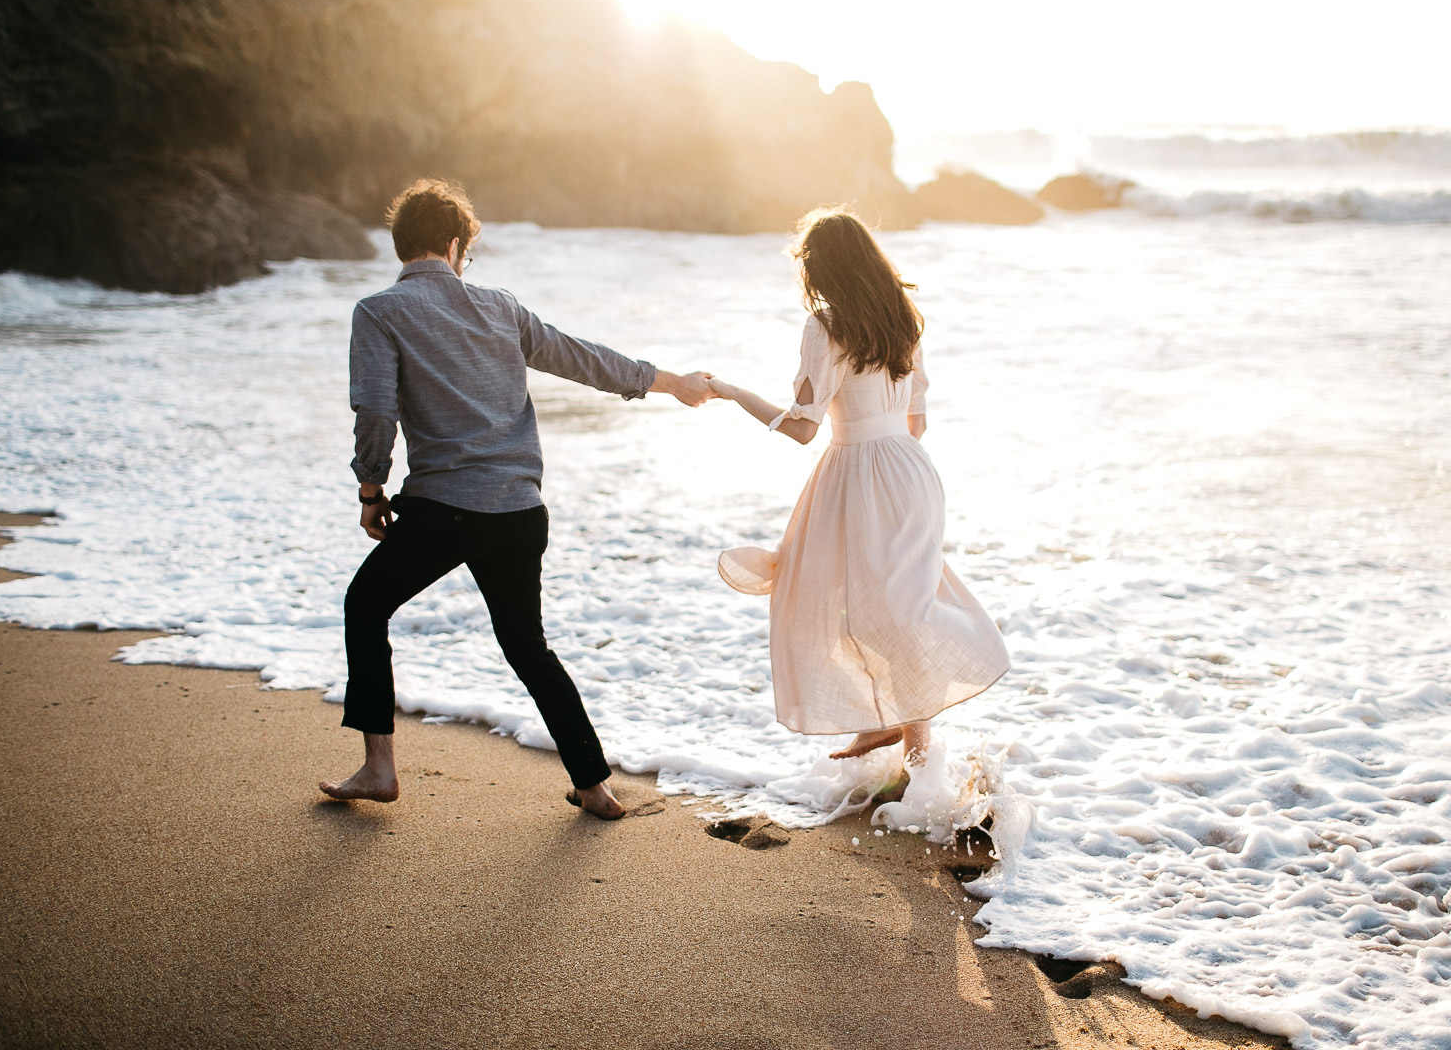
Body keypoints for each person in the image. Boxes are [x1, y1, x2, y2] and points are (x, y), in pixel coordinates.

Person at [320, 179, 713, 820]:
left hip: (444, 508)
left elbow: (376, 408)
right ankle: (593, 785)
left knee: (366, 606)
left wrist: (371, 487)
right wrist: (671, 383)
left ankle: (379, 766)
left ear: (403, 246)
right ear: (454, 244)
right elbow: (579, 358)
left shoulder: (380, 312)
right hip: (521, 513)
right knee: (528, 646)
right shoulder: (500, 307)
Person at [706, 207, 1008, 773]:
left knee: (851, 598)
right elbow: (917, 421)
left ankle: (899, 735)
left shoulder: (825, 325)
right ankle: (905, 751)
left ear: (820, 269)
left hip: (858, 471)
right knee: (898, 602)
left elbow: (802, 428)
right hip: (912, 471)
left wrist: (730, 391)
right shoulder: (904, 318)